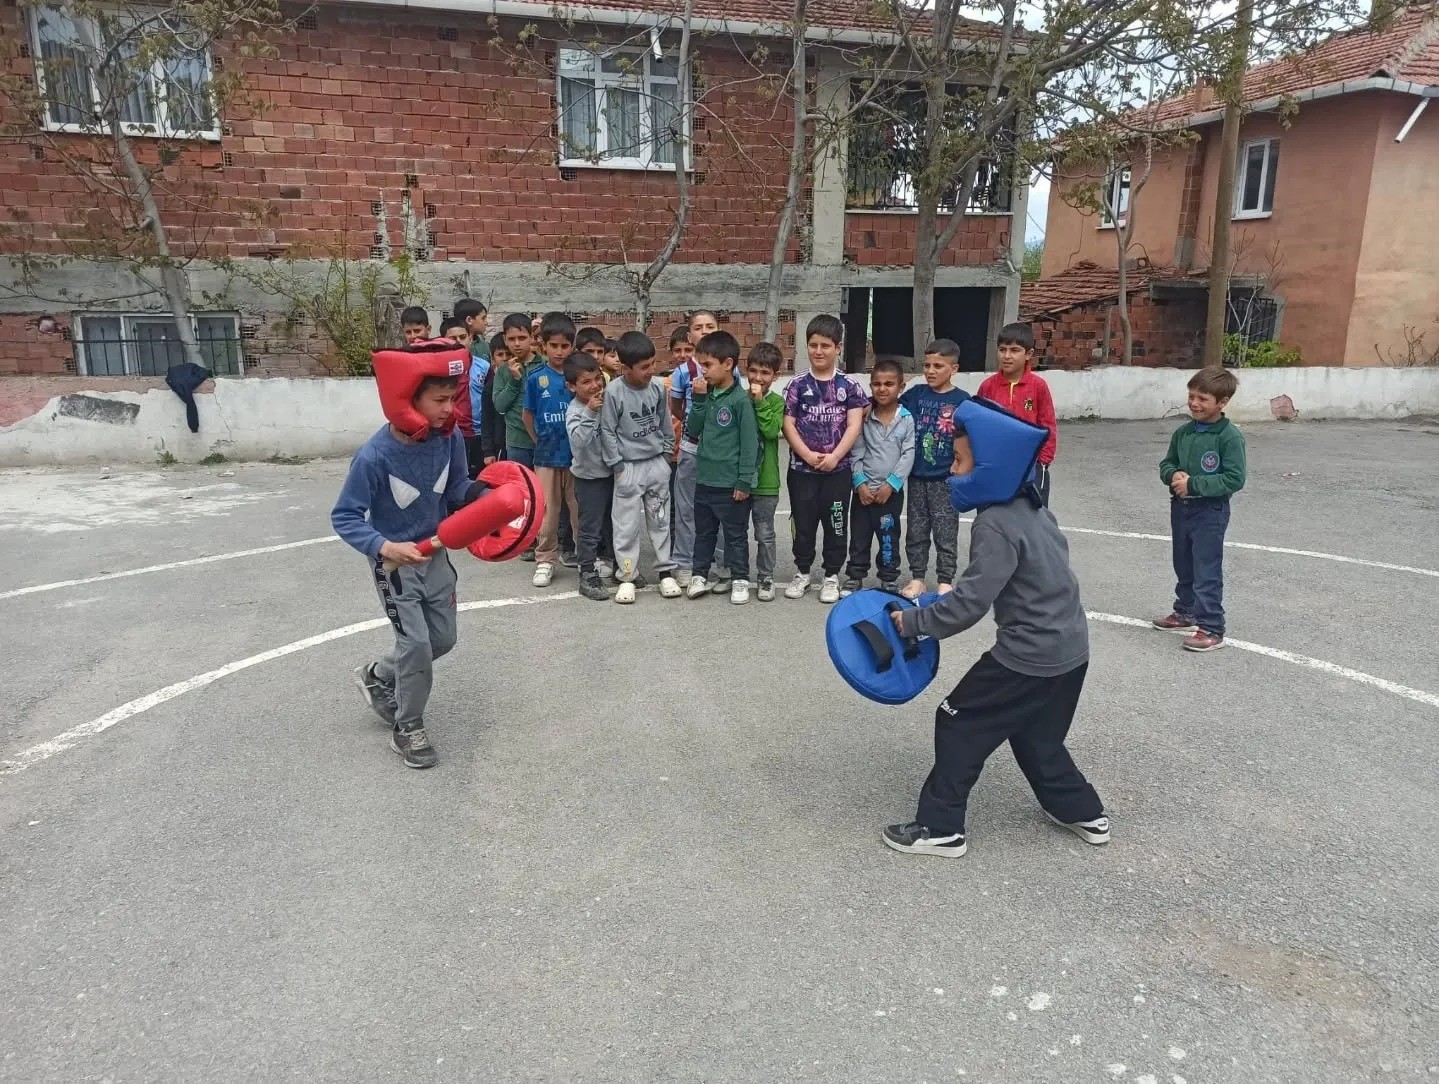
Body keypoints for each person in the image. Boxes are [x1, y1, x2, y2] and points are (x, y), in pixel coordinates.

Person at [882, 412, 1107, 857]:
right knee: (1037, 734)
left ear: (990, 469)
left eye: (960, 461)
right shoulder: (1036, 510)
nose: (952, 470)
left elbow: (969, 603)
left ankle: (940, 827)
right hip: (1071, 650)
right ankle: (1083, 811)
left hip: (1029, 655)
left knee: (957, 720)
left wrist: (913, 624)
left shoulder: (994, 524)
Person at [332, 349, 480, 770]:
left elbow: (456, 487)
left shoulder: (448, 438)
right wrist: (383, 546)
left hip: (436, 555)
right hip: (396, 565)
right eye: (440, 400)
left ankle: (378, 674)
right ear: (407, 400)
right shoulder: (374, 457)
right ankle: (408, 726)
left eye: (453, 398)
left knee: (442, 640)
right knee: (415, 645)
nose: (450, 409)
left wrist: (489, 496)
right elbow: (344, 516)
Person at [1153, 367, 1246, 652]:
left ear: (1222, 402)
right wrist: (1173, 475)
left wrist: (1194, 484)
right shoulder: (1183, 433)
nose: (1194, 403)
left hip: (1210, 512)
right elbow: (1166, 464)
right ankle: (1186, 611)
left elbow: (1234, 478)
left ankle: (1212, 627)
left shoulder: (1229, 437)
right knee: (1183, 563)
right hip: (1181, 509)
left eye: (1203, 398)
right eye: (1191, 396)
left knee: (1206, 568)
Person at [782, 313, 868, 604]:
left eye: (825, 346)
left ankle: (831, 575)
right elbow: (788, 424)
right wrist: (806, 455)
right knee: (803, 523)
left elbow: (855, 424)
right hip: (801, 471)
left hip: (837, 471)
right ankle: (803, 571)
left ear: (838, 347)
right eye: (813, 345)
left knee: (836, 522)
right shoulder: (796, 386)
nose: (818, 351)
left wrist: (835, 456)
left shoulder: (851, 386)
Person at [600, 331, 682, 604]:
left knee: (660, 520)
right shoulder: (614, 391)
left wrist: (666, 457)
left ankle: (665, 572)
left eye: (653, 364)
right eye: (644, 367)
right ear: (626, 368)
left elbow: (665, 423)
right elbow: (607, 431)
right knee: (626, 526)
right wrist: (617, 466)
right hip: (628, 468)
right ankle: (627, 576)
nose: (651, 371)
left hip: (655, 463)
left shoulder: (658, 388)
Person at [684, 330, 757, 603]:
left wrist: (744, 481)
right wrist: (700, 400)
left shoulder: (740, 401)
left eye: (707, 365)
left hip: (730, 483)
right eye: (701, 365)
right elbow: (692, 430)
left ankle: (739, 578)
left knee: (735, 534)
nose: (703, 371)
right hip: (705, 479)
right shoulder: (706, 395)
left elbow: (750, 443)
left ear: (727, 364)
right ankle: (699, 575)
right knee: (704, 533)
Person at [900, 339, 974, 599]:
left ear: (954, 369)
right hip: (917, 477)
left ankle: (945, 579)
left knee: (946, 530)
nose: (930, 371)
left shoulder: (963, 401)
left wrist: (963, 471)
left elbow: (970, 441)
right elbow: (888, 408)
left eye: (938, 366)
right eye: (927, 365)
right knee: (916, 531)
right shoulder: (915, 395)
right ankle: (917, 577)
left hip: (946, 479)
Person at [845, 359, 914, 596]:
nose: (882, 389)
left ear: (901, 387)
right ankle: (855, 575)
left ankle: (888, 577)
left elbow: (908, 454)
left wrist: (892, 484)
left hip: (889, 495)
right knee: (859, 538)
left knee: (888, 537)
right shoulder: (864, 418)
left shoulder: (906, 420)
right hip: (864, 493)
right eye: (876, 384)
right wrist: (859, 483)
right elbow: (857, 451)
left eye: (889, 384)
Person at [523, 312, 580, 587]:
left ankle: (587, 558)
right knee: (547, 511)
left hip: (578, 457)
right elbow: (528, 416)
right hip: (546, 456)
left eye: (565, 345)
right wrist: (539, 441)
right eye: (553, 345)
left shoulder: (579, 376)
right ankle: (545, 559)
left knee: (580, 509)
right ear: (543, 345)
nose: (559, 351)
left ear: (572, 346)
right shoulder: (536, 378)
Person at [669, 309, 722, 588]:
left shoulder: (730, 367)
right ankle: (684, 563)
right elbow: (676, 408)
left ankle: (721, 563)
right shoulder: (681, 372)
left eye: (710, 326)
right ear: (690, 335)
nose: (705, 331)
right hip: (691, 448)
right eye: (699, 327)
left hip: (722, 452)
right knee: (687, 507)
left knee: (720, 508)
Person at [977, 322, 1057, 505]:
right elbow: (979, 426)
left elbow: (1048, 425)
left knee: (1031, 516)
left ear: (1028, 354)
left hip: (1030, 465)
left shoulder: (1038, 386)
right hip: (995, 465)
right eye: (1002, 349)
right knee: (993, 515)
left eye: (1014, 350)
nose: (1007, 356)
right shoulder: (988, 386)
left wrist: (1043, 461)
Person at [565, 354, 618, 601]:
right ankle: (587, 572)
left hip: (611, 472)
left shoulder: (606, 401)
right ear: (572, 386)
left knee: (614, 522)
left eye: (598, 378)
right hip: (589, 479)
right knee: (590, 527)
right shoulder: (576, 411)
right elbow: (579, 442)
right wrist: (589, 413)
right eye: (586, 382)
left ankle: (616, 563)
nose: (595, 385)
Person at [745, 342, 785, 602]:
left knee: (765, 533)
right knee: (734, 531)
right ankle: (735, 574)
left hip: (766, 482)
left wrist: (759, 404)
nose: (758, 378)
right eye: (754, 371)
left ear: (775, 376)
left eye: (765, 373)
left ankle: (765, 576)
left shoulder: (777, 402)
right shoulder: (737, 398)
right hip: (740, 479)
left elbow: (771, 431)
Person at [477, 332, 508, 466]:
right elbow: (486, 419)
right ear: (493, 359)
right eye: (500, 355)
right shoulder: (490, 386)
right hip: (499, 445)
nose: (505, 359)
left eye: (509, 354)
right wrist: (488, 451)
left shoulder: (525, 380)